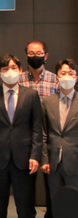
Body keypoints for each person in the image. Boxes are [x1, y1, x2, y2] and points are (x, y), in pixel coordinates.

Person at [0, 54, 42, 218]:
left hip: (25, 159)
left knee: (26, 208)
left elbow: (37, 128)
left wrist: (35, 156)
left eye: (14, 68)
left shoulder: (31, 95)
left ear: (21, 70)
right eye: (5, 68)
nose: (10, 71)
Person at [18, 40, 58, 218]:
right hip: (26, 138)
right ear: (26, 55)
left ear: (46, 55)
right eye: (31, 53)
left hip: (50, 137)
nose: (35, 57)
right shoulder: (18, 80)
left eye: (39, 53)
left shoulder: (55, 80)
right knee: (26, 185)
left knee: (52, 183)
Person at [41, 59, 78, 209]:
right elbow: (43, 133)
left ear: (76, 77)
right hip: (53, 164)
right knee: (56, 204)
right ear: (57, 77)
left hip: (75, 163)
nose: (67, 76)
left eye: (71, 73)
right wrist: (44, 160)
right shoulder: (47, 102)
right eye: (63, 73)